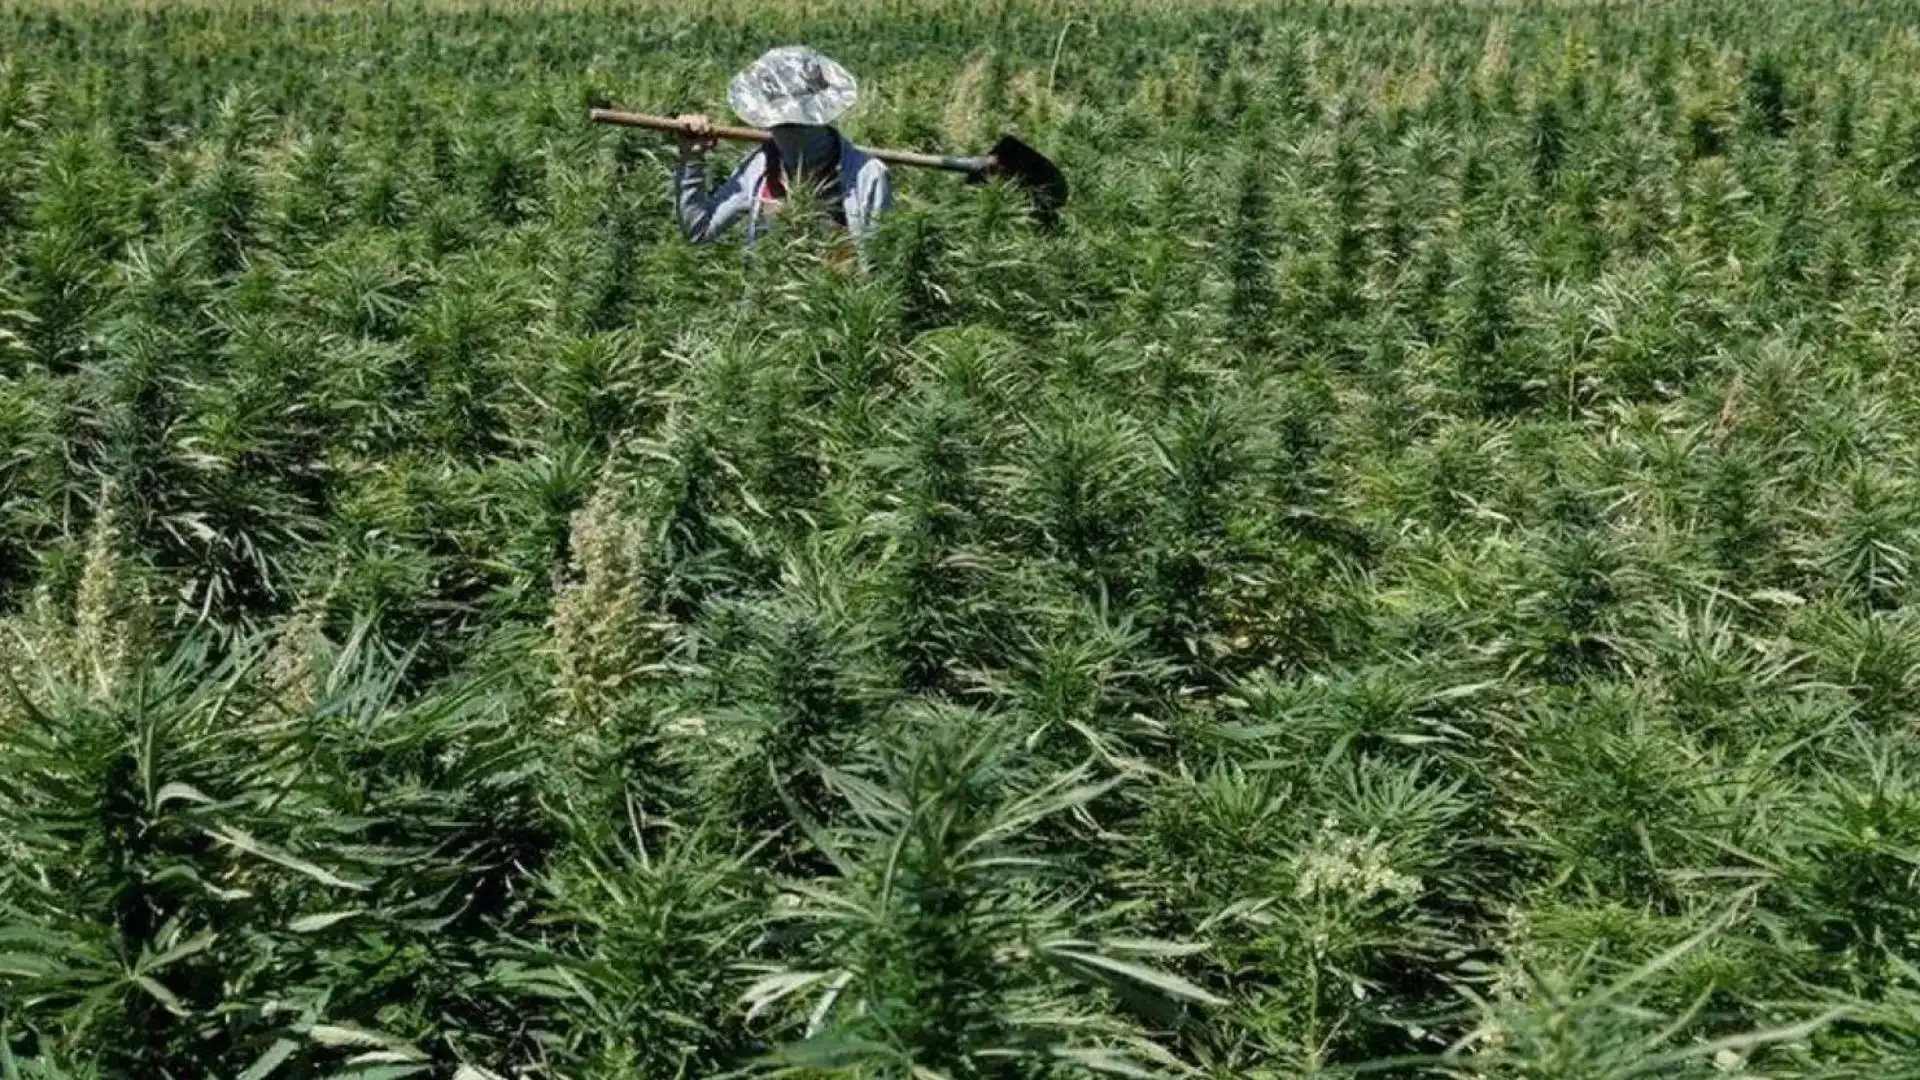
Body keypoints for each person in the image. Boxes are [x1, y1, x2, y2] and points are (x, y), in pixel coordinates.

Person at [672, 46, 892, 248]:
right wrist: (691, 159)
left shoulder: (866, 176)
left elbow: (876, 263)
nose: (790, 129)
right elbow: (698, 231)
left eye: (799, 119)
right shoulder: (759, 169)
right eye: (781, 120)